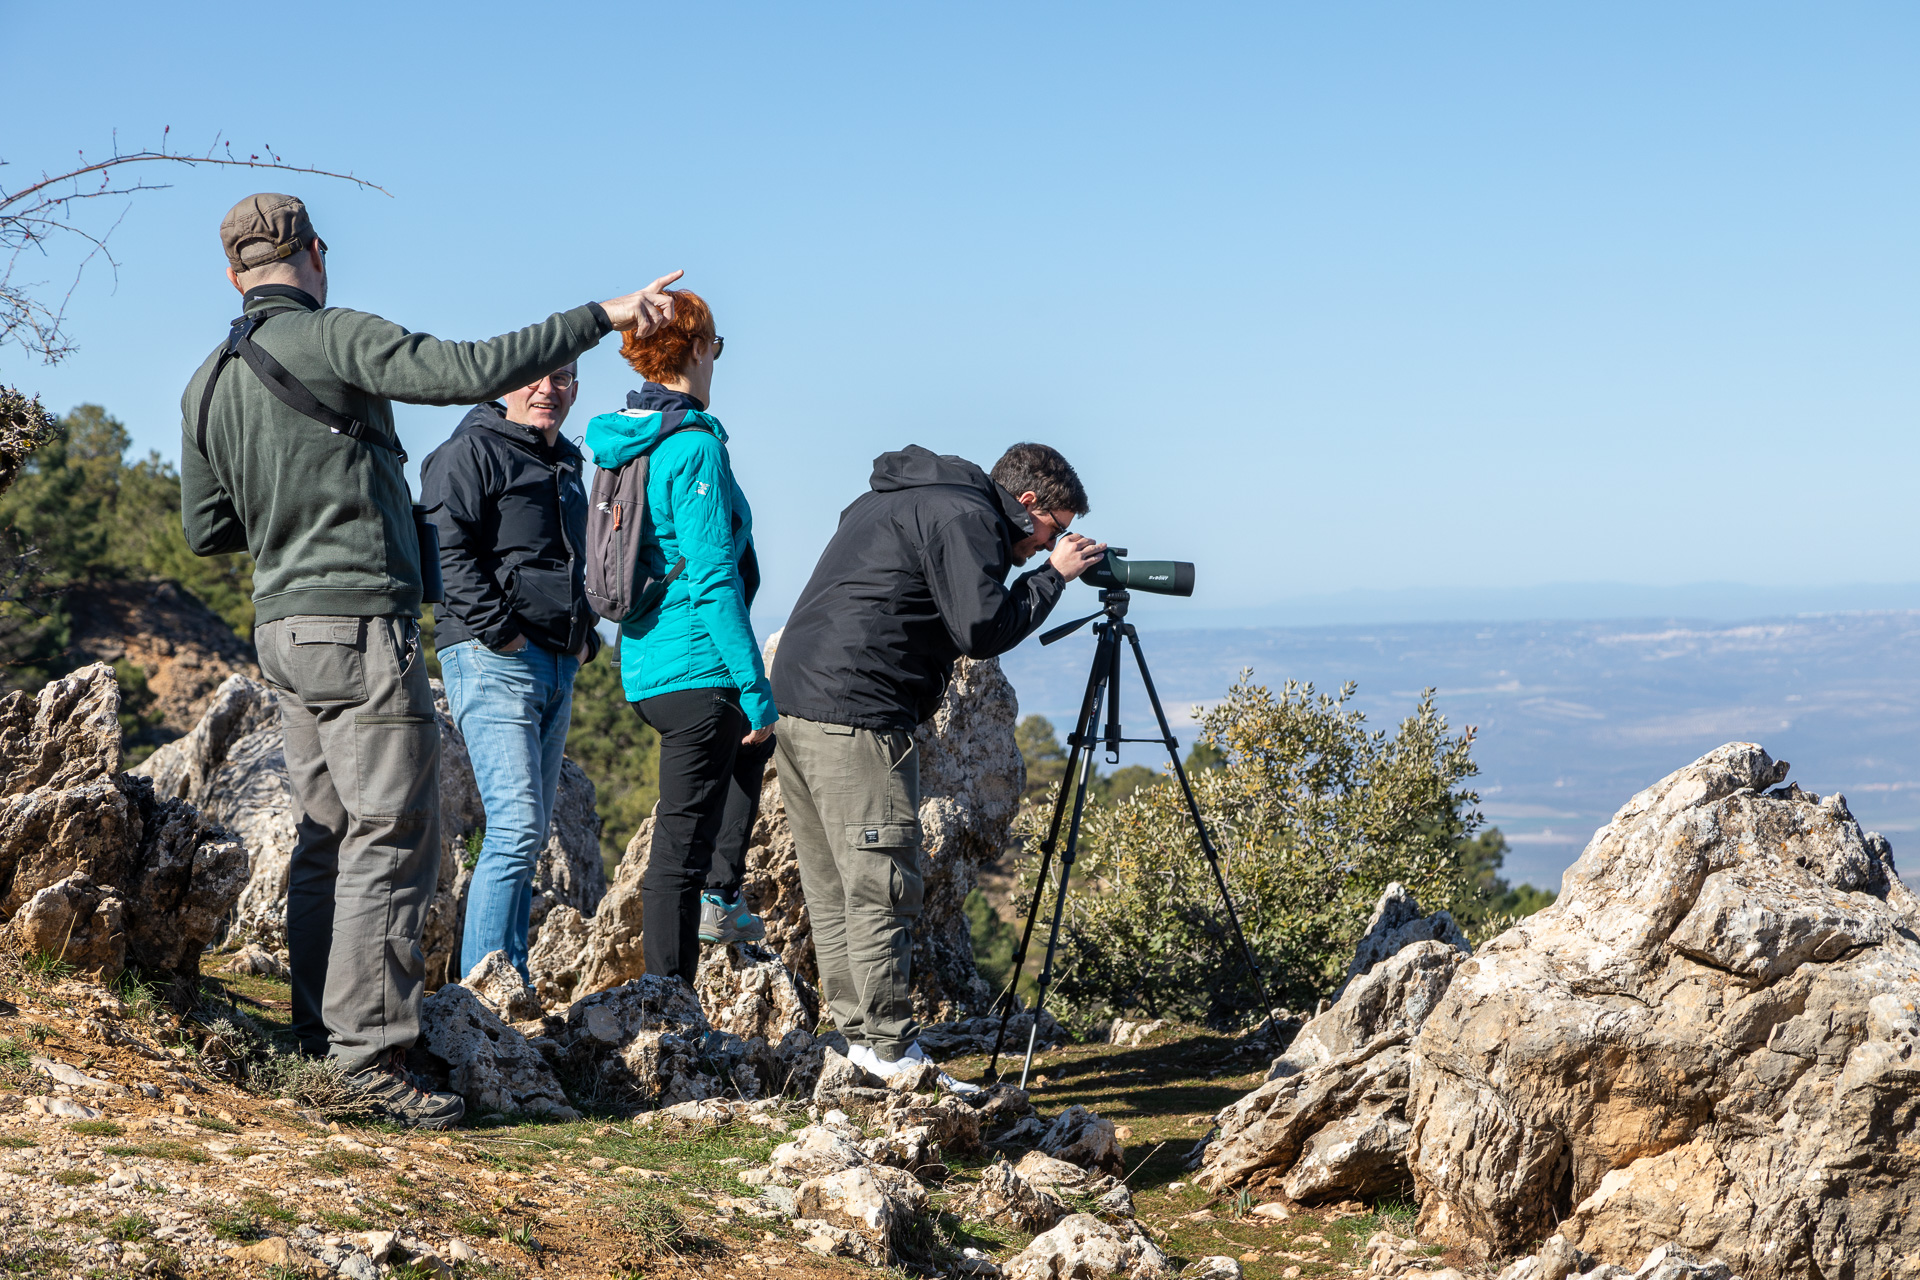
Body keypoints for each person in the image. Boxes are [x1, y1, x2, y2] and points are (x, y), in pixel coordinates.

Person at [180, 191, 681, 1128]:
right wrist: (601, 315)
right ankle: (368, 1060)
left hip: (280, 628)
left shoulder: (206, 379)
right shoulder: (332, 337)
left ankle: (319, 1035)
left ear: (231, 274)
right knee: (395, 831)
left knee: (329, 835)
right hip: (361, 621)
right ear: (316, 255)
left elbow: (208, 528)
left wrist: (299, 498)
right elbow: (468, 371)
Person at [772, 442, 1106, 1088]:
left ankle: (861, 1044)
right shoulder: (967, 517)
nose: (1048, 545)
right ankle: (893, 1054)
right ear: (1027, 502)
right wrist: (1053, 578)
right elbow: (981, 630)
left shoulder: (900, 496)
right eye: (1053, 531)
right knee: (879, 882)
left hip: (797, 702)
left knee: (836, 887)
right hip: (859, 710)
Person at [582, 289, 775, 986]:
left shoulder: (622, 440)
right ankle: (670, 1004)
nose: (716, 361)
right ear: (697, 348)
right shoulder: (691, 446)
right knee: (678, 854)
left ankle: (722, 896)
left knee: (727, 787)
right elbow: (715, 578)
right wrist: (754, 688)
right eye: (715, 347)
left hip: (644, 660)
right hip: (699, 667)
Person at [421, 361, 602, 986]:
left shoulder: (569, 465)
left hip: (558, 665)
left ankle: (507, 985)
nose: (550, 389)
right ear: (506, 382)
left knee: (527, 835)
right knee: (518, 827)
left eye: (565, 379)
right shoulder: (469, 451)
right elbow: (446, 552)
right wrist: (504, 634)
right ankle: (481, 996)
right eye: (538, 376)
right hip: (493, 658)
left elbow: (575, 563)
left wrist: (585, 642)